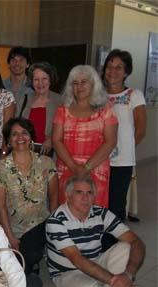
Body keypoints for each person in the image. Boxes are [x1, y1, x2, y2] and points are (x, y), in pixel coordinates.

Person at [46, 175, 149, 287]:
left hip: (96, 262)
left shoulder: (101, 213)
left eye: (89, 193)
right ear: (68, 195)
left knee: (125, 248)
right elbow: (77, 260)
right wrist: (115, 280)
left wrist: (128, 275)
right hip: (67, 272)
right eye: (79, 192)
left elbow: (136, 242)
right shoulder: (56, 221)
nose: (85, 198)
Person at [0, 118, 58, 274]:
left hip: (40, 222)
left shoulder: (46, 163)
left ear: (31, 137)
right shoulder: (0, 168)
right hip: (13, 227)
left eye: (24, 133)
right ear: (8, 140)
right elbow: (0, 206)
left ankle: (28, 264)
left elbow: (54, 196)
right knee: (16, 262)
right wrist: (10, 237)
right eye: (14, 134)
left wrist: (54, 226)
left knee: (28, 256)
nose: (20, 137)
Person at [52, 65, 118, 207]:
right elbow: (56, 141)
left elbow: (110, 142)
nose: (79, 86)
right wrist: (74, 167)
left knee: (93, 212)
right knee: (67, 211)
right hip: (67, 168)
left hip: (96, 169)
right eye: (75, 83)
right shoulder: (63, 109)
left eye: (84, 82)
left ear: (93, 84)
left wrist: (86, 168)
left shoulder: (106, 109)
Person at [102, 49, 147, 222]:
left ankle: (116, 243)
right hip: (99, 159)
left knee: (116, 204)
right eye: (109, 66)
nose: (113, 71)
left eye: (119, 67)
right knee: (98, 201)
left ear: (126, 72)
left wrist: (125, 149)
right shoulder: (98, 96)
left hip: (122, 161)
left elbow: (141, 129)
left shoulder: (134, 95)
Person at [20, 62, 62, 156]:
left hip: (50, 154)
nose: (40, 83)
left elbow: (65, 129)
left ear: (50, 79)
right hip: (25, 152)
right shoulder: (24, 99)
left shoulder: (60, 101)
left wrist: (51, 139)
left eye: (44, 79)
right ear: (31, 81)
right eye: (36, 80)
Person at [3, 47, 33, 117]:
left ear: (28, 64)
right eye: (13, 60)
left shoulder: (34, 86)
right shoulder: (1, 86)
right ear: (9, 63)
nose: (17, 63)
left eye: (21, 60)